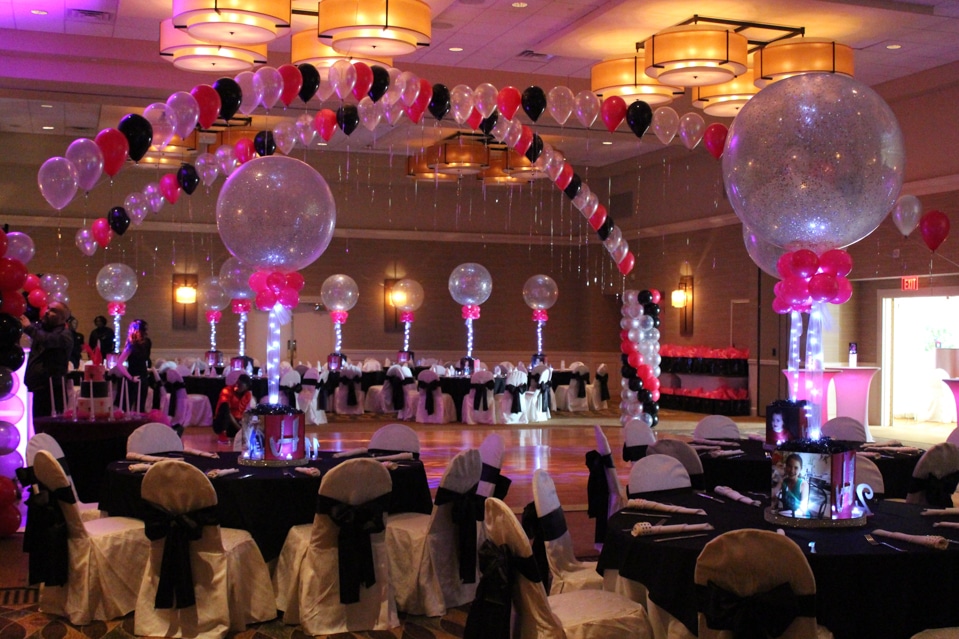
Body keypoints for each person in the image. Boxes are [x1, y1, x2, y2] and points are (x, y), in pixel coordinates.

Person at [22, 302, 74, 418]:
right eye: (48, 308)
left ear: (63, 318)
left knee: (52, 425)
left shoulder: (65, 335)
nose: (47, 312)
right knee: (38, 424)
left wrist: (29, 329)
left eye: (53, 311)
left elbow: (49, 340)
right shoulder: (42, 330)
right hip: (39, 387)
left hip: (54, 390)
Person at [115, 319, 152, 412]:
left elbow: (146, 359)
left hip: (143, 376)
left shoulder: (147, 343)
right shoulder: (131, 345)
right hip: (133, 376)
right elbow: (119, 363)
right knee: (129, 404)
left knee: (141, 406)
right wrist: (130, 377)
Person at [213, 373, 253, 444]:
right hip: (222, 422)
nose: (237, 386)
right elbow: (227, 412)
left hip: (236, 422)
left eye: (240, 385)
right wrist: (239, 428)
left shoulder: (248, 395)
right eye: (237, 383)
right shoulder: (226, 390)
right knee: (225, 406)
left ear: (246, 387)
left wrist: (244, 428)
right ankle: (222, 434)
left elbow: (245, 412)